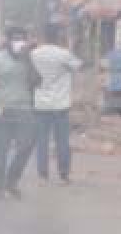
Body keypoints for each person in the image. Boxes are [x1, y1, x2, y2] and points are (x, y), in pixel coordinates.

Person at [0, 27, 39, 199]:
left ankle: (12, 180)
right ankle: (0, 185)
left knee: (26, 145)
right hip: (1, 107)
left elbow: (37, 81)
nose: (18, 42)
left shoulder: (29, 58)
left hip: (24, 108)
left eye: (21, 39)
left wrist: (28, 59)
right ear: (7, 41)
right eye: (15, 39)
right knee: (1, 149)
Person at [29, 25, 82, 185]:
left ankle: (42, 175)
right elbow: (78, 66)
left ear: (44, 36)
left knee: (42, 141)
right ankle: (63, 174)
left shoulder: (34, 54)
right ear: (59, 36)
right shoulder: (64, 54)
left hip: (40, 103)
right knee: (62, 141)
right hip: (60, 104)